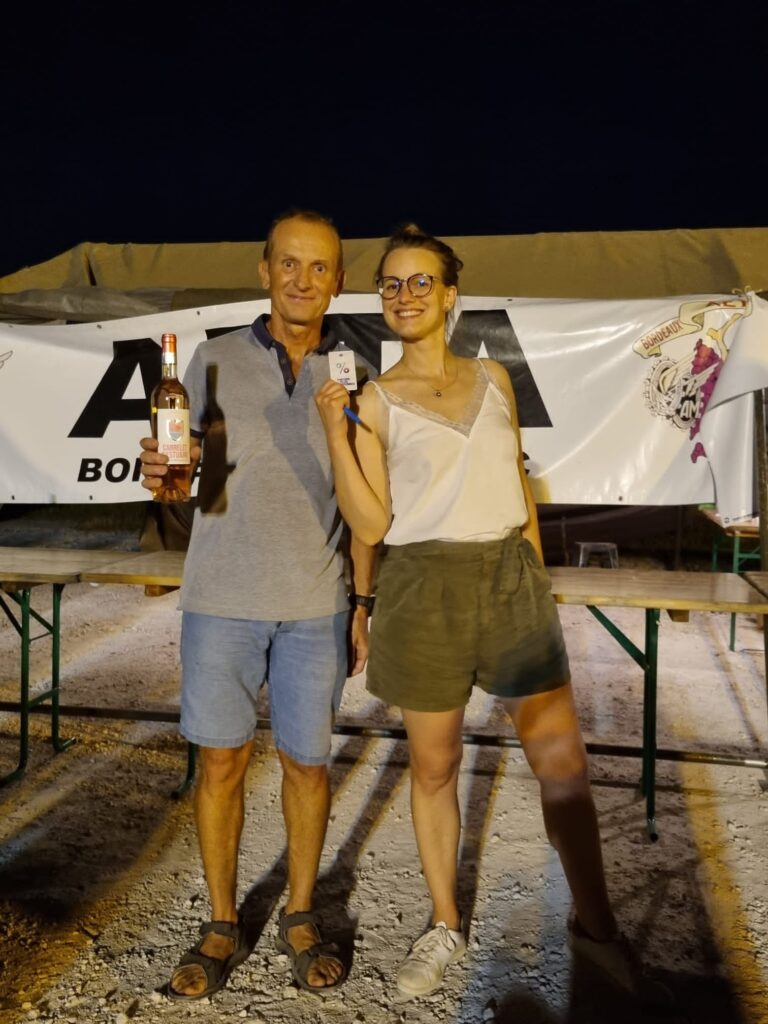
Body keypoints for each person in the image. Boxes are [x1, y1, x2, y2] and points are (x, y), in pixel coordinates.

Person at [314, 225, 667, 1003]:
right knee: (435, 769)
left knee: (563, 767)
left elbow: (516, 480)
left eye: (420, 282)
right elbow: (370, 526)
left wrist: (534, 580)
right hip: (424, 587)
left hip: (508, 581)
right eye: (392, 284)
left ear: (450, 296)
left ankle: (597, 928)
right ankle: (444, 924)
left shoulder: (495, 379)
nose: (405, 295)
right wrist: (335, 435)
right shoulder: (373, 399)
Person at [139, 210, 376, 1000]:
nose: (303, 280)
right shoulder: (209, 359)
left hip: (317, 602)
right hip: (222, 597)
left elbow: (368, 496)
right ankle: (218, 921)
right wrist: (164, 475)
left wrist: (362, 602)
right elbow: (184, 481)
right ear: (264, 270)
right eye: (289, 264)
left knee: (309, 766)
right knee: (221, 763)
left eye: (320, 268)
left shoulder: (353, 370)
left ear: (338, 279)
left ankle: (300, 914)